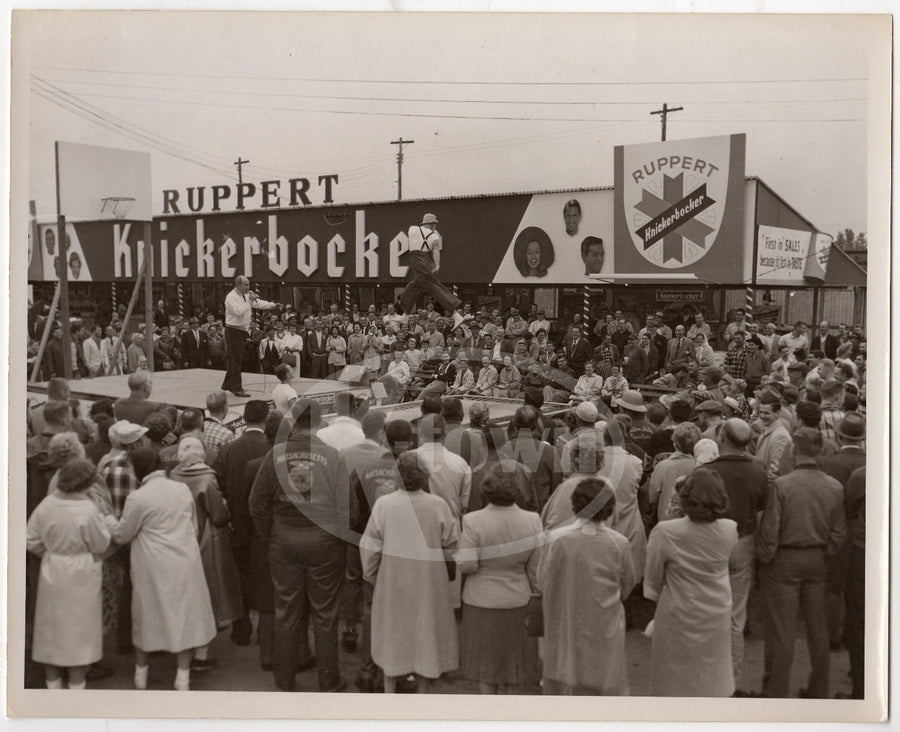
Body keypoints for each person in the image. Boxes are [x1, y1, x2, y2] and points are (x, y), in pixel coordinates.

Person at [249, 398, 351, 692]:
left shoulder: (275, 455)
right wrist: (339, 539)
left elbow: (256, 504)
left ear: (292, 421)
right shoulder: (333, 457)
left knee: (286, 610)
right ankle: (328, 679)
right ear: (320, 422)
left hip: (284, 540)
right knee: (326, 613)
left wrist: (272, 534)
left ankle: (284, 679)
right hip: (324, 541)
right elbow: (347, 508)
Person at [105, 447, 217, 691]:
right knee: (184, 615)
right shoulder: (181, 491)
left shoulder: (138, 497)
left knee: (147, 615)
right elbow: (194, 526)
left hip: (151, 563)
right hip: (184, 560)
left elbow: (123, 535)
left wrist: (109, 520)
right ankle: (183, 677)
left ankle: (141, 674)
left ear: (137, 469)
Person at [756, 428, 846, 699]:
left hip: (785, 557)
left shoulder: (783, 485)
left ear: (795, 450)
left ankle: (776, 691)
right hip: (816, 557)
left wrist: (766, 558)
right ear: (819, 451)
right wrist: (824, 552)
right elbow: (839, 532)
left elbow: (770, 529)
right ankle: (819, 688)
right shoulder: (834, 486)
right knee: (817, 628)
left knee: (783, 630)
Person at [361, 451, 460, 693]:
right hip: (429, 581)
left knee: (393, 634)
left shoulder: (384, 504)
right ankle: (423, 695)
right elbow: (453, 542)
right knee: (424, 634)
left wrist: (372, 576)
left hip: (393, 580)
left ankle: (389, 692)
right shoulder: (438, 505)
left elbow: (369, 546)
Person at [644, 469, 739, 697]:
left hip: (678, 609)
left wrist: (656, 595)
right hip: (716, 610)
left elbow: (653, 578)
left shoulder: (666, 531)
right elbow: (731, 563)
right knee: (712, 672)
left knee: (673, 678)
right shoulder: (730, 529)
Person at [540, 478, 635, 695]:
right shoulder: (619, 543)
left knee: (567, 672)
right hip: (604, 618)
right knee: (604, 676)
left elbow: (542, 579)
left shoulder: (557, 539)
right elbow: (627, 584)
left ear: (575, 504)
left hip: (566, 616)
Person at [456, 465, 543, 694]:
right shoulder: (533, 520)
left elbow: (467, 564)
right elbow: (536, 570)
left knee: (486, 666)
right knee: (513, 666)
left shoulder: (473, 520)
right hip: (518, 598)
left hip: (481, 600)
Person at [26, 458, 112, 689]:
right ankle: (76, 691)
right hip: (81, 571)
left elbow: (30, 539)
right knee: (79, 634)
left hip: (53, 568)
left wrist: (49, 552)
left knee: (51, 631)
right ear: (85, 483)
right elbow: (101, 543)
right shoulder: (88, 509)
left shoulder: (47, 505)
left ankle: (53, 690)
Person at [169, 437, 243, 671]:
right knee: (208, 594)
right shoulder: (207, 478)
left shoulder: (173, 476)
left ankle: (184, 647)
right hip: (206, 541)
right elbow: (219, 515)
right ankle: (201, 653)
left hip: (180, 539)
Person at [398, 213, 470, 330]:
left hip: (418, 260)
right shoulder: (434, 237)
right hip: (427, 261)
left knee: (434, 287)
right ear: (431, 224)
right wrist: (437, 266)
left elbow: (417, 241)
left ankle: (455, 314)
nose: (435, 227)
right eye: (434, 224)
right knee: (414, 286)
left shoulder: (413, 229)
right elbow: (436, 252)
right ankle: (405, 314)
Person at [222, 276, 279, 397]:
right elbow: (238, 311)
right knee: (236, 360)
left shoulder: (246, 295)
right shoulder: (231, 297)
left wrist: (273, 305)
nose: (249, 287)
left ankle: (228, 385)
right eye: (246, 285)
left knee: (235, 359)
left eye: (248, 284)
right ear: (238, 285)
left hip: (242, 331)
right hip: (233, 330)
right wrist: (249, 301)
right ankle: (237, 388)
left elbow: (259, 304)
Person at [648, 422, 700, 523]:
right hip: (693, 522)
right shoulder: (699, 466)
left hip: (666, 522)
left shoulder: (663, 466)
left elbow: (652, 498)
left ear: (674, 443)